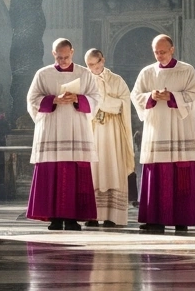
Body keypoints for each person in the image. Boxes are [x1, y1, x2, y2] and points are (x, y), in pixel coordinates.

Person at [131, 34, 195, 232]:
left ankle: (182, 219)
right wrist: (151, 96)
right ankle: (155, 219)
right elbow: (135, 95)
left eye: (163, 52)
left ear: (172, 49)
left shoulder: (186, 70)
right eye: (156, 52)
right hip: (157, 130)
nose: (159, 55)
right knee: (157, 172)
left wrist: (172, 97)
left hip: (181, 130)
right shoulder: (147, 72)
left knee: (181, 173)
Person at [27, 38, 102, 230]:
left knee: (75, 174)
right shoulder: (43, 74)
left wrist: (78, 98)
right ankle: (54, 218)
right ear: (54, 54)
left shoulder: (84, 74)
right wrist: (53, 100)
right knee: (52, 172)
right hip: (52, 130)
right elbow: (32, 99)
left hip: (77, 130)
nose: (63, 60)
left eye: (66, 57)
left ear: (72, 52)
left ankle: (72, 218)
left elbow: (96, 98)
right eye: (59, 57)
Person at [84, 48, 135, 227]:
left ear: (102, 60)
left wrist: (103, 102)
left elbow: (124, 103)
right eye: (89, 65)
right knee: (94, 170)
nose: (93, 68)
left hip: (113, 132)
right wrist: (103, 103)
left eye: (95, 63)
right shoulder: (85, 81)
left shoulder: (117, 80)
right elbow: (82, 105)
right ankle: (91, 214)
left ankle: (112, 216)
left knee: (113, 167)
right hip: (93, 131)